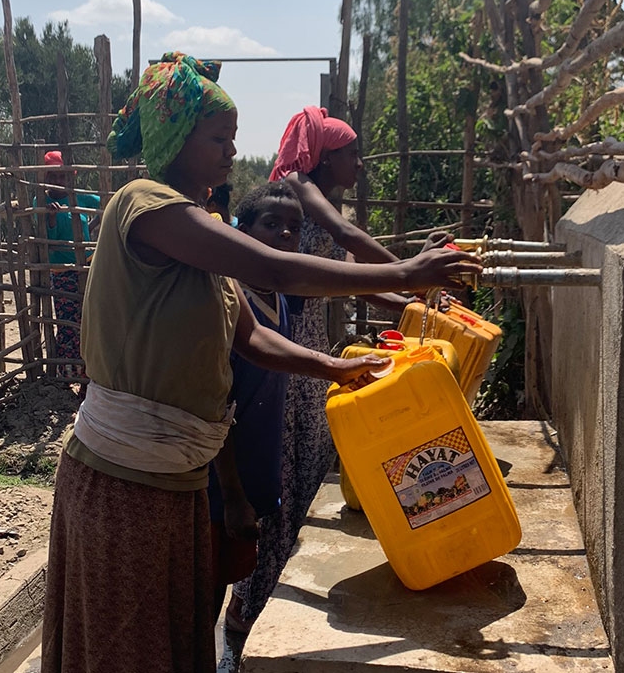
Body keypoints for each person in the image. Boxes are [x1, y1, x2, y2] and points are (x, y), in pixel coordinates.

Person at [40, 53, 480, 673]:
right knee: (127, 647)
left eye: (234, 140)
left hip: (181, 483)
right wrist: (406, 273)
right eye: (218, 139)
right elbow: (272, 269)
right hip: (124, 483)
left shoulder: (203, 234)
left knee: (175, 640)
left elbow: (250, 340)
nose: (229, 153)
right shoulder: (144, 206)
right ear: (175, 140)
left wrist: (332, 370)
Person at [230, 105, 414, 634]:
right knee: (276, 472)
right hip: (281, 338)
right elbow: (350, 243)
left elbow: (350, 279)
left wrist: (407, 304)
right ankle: (246, 605)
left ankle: (266, 594)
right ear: (326, 157)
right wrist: (416, 277)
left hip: (308, 345)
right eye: (352, 153)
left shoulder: (320, 198)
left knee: (307, 467)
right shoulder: (300, 190)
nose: (360, 161)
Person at [206, 182, 302, 639]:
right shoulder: (229, 303)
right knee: (200, 597)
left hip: (254, 482)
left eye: (294, 229)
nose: (286, 234)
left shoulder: (279, 298)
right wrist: (233, 496)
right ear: (241, 233)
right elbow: (217, 403)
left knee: (225, 583)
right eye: (272, 225)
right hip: (221, 490)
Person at [41, 150, 101, 372]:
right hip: (61, 270)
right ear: (45, 178)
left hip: (85, 265)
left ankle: (85, 368)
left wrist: (90, 228)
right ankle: (66, 369)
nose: (58, 181)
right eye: (53, 177)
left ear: (70, 177)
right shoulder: (42, 201)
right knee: (66, 319)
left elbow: (105, 205)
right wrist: (52, 218)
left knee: (86, 317)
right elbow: (48, 241)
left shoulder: (78, 197)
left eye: (62, 176)